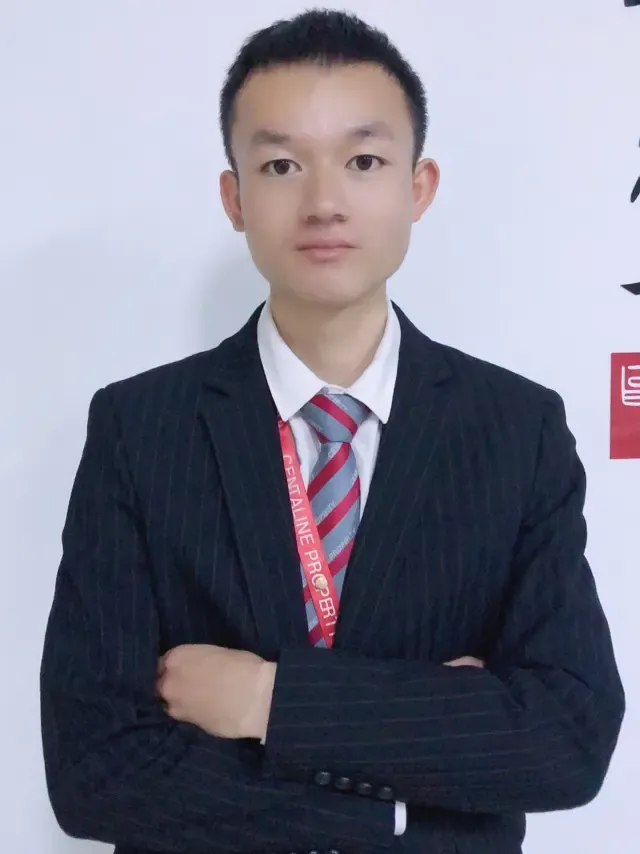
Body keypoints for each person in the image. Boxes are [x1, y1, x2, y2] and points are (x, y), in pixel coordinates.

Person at [40, 8, 625, 854]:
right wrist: (399, 799)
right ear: (235, 198)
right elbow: (94, 769)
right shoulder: (141, 429)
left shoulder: (515, 429)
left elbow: (566, 738)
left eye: (363, 161)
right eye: (281, 165)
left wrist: (268, 700)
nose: (323, 203)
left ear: (418, 188)